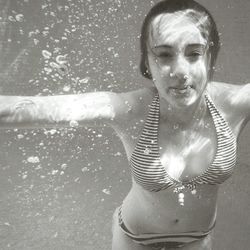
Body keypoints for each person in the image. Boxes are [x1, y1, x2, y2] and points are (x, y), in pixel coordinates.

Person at [0, 0, 249, 249]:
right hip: (134, 238)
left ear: (210, 55)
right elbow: (26, 111)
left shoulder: (235, 104)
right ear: (147, 64)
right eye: (164, 55)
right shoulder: (130, 110)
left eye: (194, 53)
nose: (181, 70)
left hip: (198, 239)